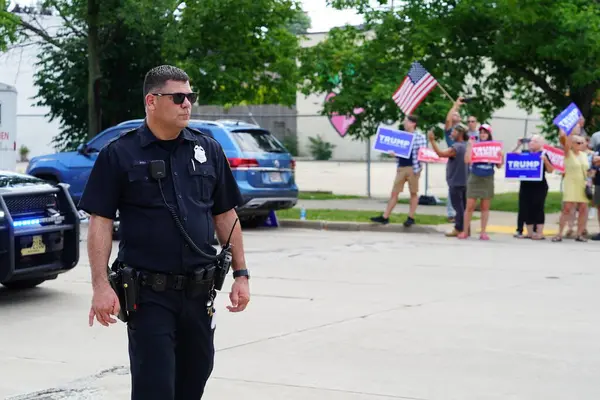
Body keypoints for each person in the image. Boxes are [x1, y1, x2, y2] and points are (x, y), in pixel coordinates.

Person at [79, 65, 251, 400]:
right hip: (149, 296)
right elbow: (99, 222)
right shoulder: (119, 153)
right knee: (155, 388)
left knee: (195, 377)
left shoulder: (208, 150)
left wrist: (241, 274)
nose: (187, 104)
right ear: (152, 101)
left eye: (191, 96)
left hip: (200, 294)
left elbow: (226, 214)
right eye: (178, 97)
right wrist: (100, 286)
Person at [370, 115, 427, 227]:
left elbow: (422, 153)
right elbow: (399, 153)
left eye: (406, 122)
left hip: (413, 168)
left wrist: (419, 168)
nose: (404, 124)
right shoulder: (401, 136)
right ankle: (385, 217)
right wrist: (393, 154)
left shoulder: (420, 137)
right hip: (401, 167)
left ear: (413, 123)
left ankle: (411, 217)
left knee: (413, 193)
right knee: (394, 192)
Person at [459, 124, 503, 240]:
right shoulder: (475, 145)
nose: (483, 134)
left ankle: (483, 232)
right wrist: (469, 147)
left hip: (488, 177)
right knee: (470, 206)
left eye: (485, 132)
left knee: (485, 206)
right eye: (481, 132)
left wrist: (500, 156)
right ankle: (465, 231)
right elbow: (467, 160)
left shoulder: (494, 147)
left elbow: (499, 165)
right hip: (475, 176)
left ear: (489, 134)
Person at [429, 124, 469, 237]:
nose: (451, 133)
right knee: (464, 207)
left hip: (456, 181)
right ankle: (466, 229)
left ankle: (458, 228)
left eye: (454, 132)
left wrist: (432, 141)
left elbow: (441, 154)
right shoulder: (466, 145)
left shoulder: (456, 147)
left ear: (460, 134)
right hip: (465, 180)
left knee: (458, 207)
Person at [513, 134, 554, 239]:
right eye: (531, 141)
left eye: (534, 141)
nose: (531, 143)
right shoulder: (525, 153)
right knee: (527, 208)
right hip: (526, 185)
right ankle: (530, 233)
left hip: (539, 186)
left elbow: (550, 170)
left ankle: (539, 232)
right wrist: (517, 146)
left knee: (538, 208)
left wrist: (545, 160)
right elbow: (511, 158)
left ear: (540, 144)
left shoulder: (543, 154)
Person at [552, 130, 590, 242]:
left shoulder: (584, 155)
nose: (581, 145)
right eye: (578, 143)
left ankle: (579, 234)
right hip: (571, 183)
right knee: (567, 208)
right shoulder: (568, 153)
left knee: (583, 208)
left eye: (582, 143)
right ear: (572, 144)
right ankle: (559, 233)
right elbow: (565, 141)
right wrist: (567, 132)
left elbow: (587, 170)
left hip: (583, 184)